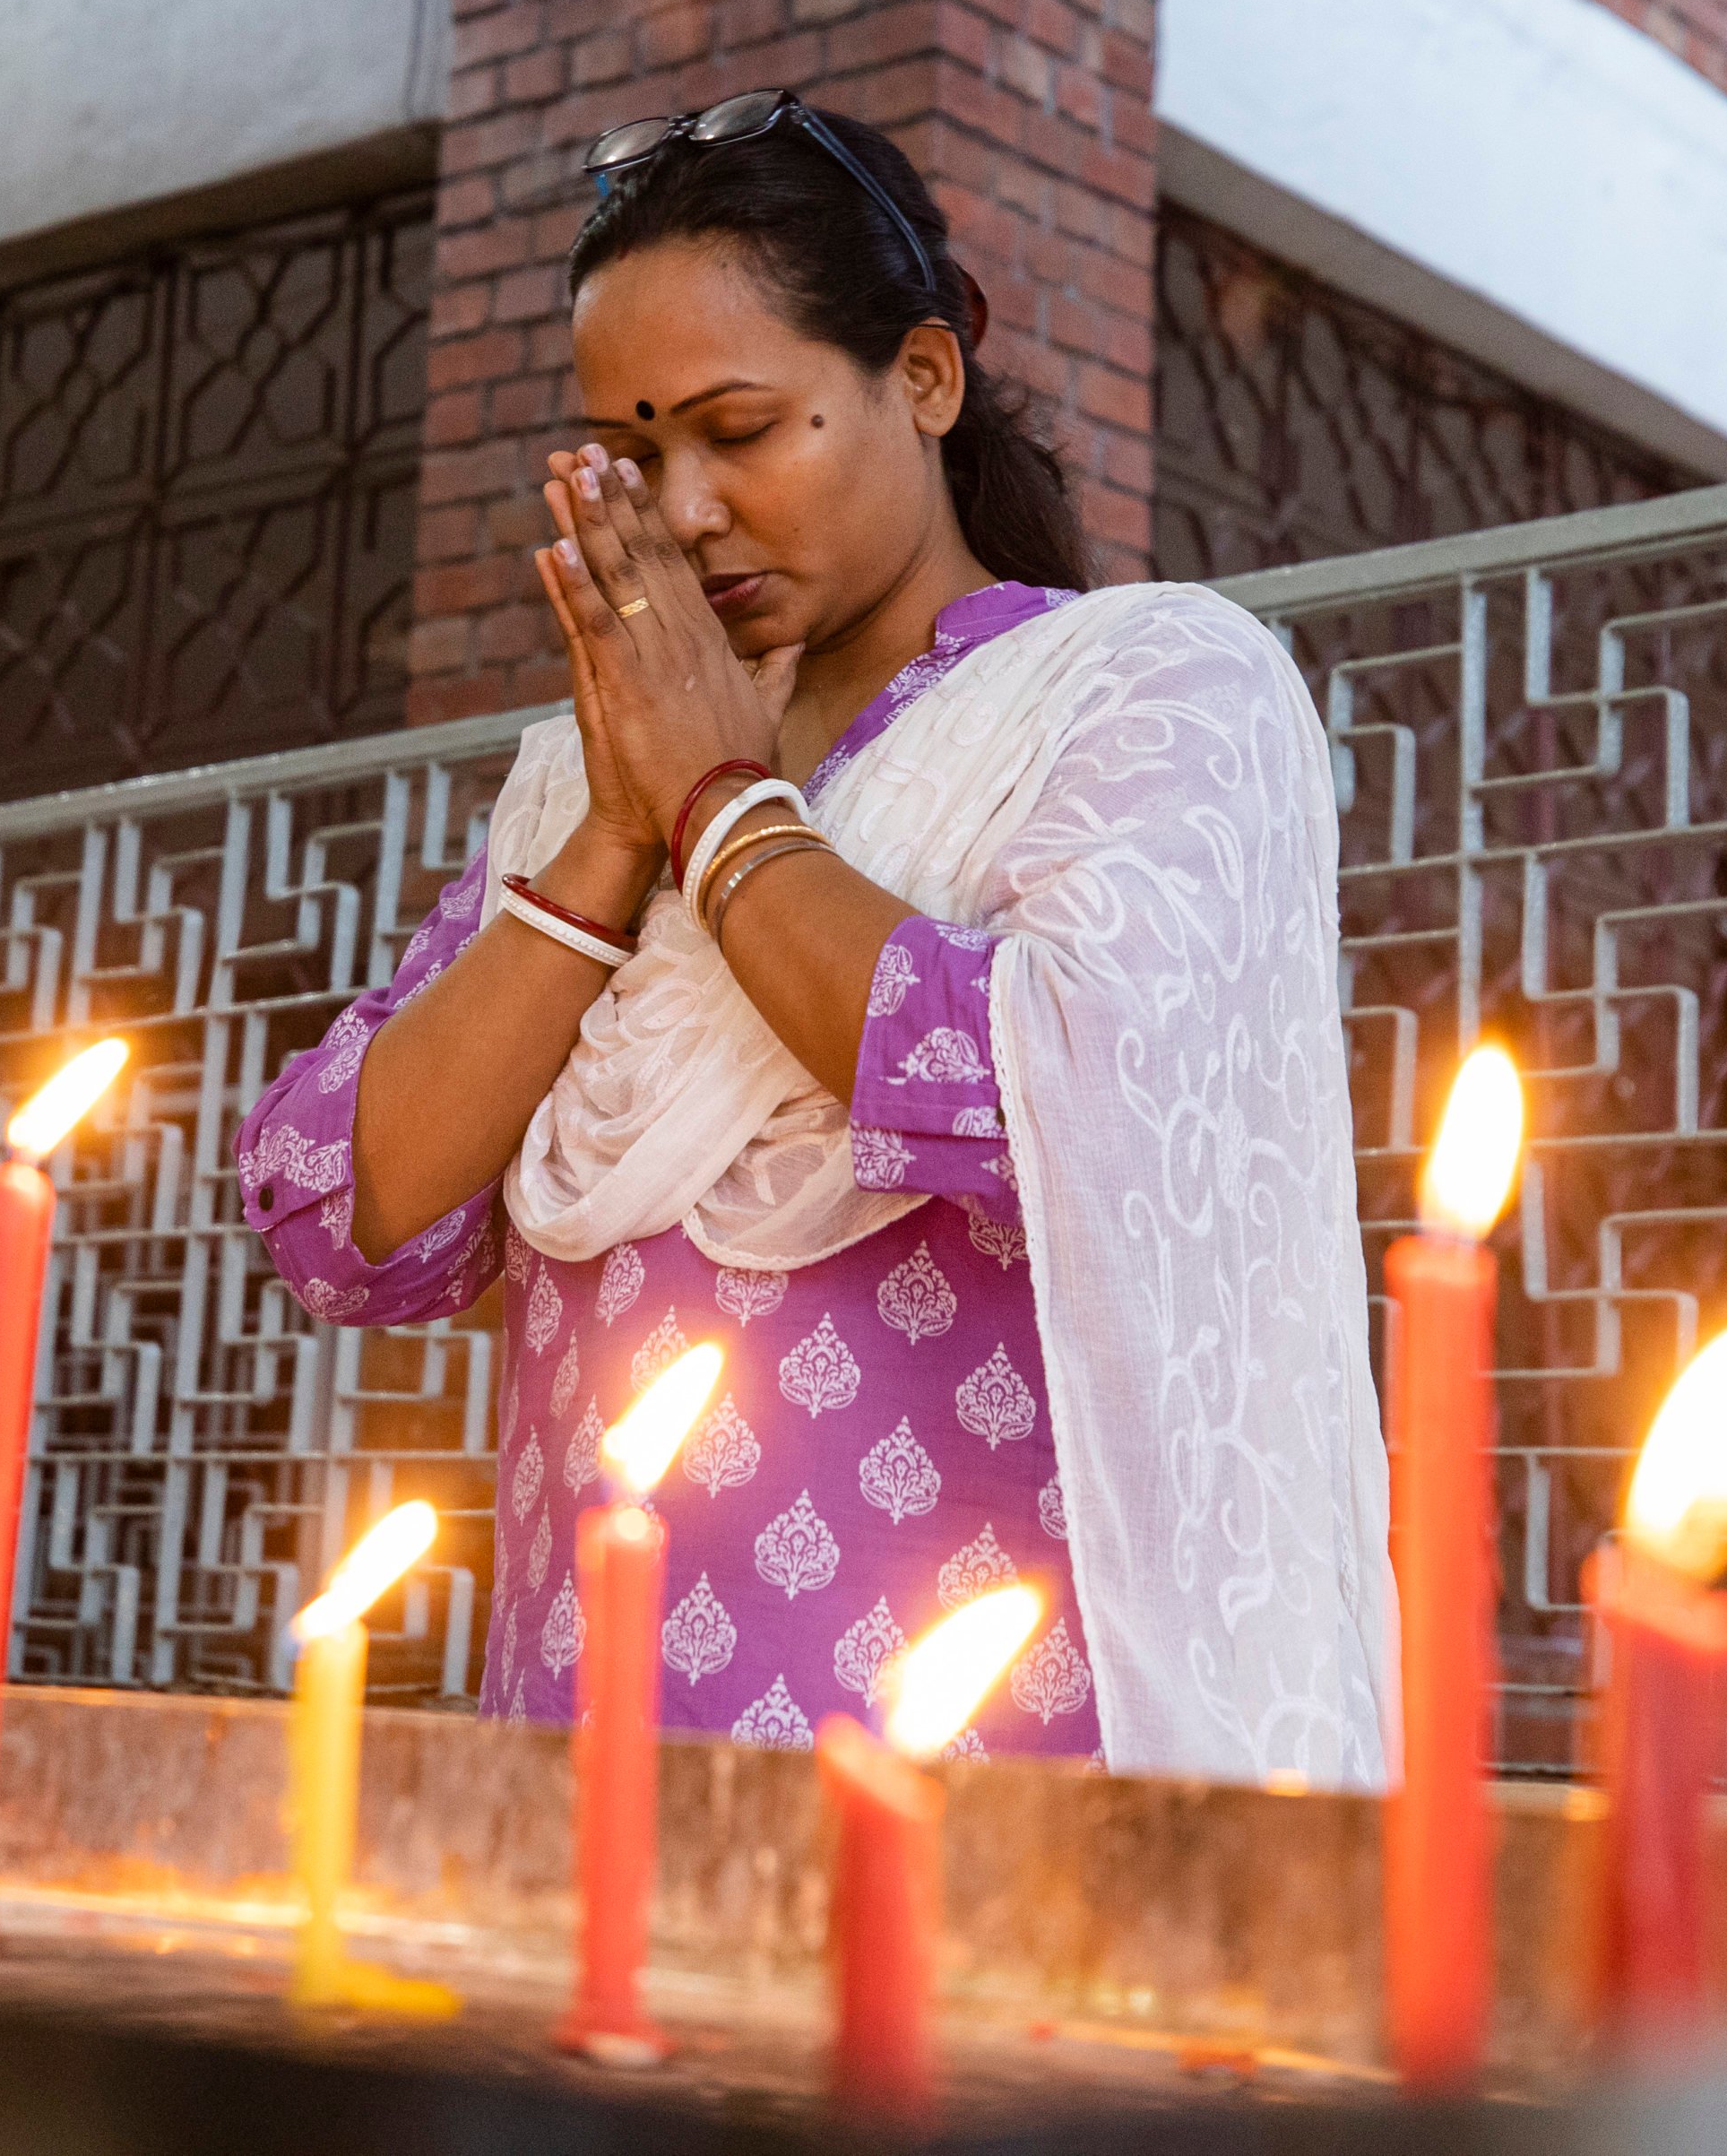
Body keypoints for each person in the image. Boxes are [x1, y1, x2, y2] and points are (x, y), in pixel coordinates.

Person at [237, 91, 1392, 1784]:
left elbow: (1037, 1099)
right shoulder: (582, 776)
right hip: (586, 1750)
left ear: (922, 379)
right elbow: (347, 1211)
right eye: (634, 459)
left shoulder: (1142, 692)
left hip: (990, 1763)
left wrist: (718, 803)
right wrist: (623, 829)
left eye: (741, 430)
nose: (685, 509)